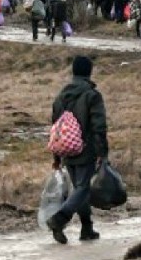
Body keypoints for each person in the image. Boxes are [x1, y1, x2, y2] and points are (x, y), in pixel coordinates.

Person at [45, 56, 109, 244]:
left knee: (80, 190)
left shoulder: (61, 96)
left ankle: (87, 228)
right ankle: (59, 219)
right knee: (82, 188)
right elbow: (99, 127)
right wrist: (103, 153)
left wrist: (57, 156)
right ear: (89, 72)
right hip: (85, 149)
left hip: (65, 148)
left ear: (73, 71)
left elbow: (56, 129)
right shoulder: (92, 95)